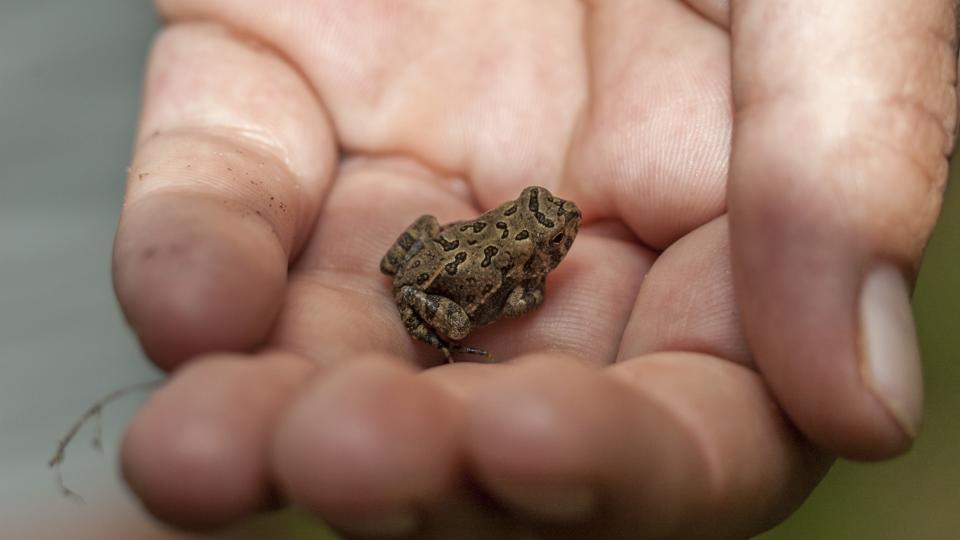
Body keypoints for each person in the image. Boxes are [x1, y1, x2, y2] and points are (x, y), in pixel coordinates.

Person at [112, 1, 957, 537]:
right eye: (550, 237)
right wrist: (481, 314)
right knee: (217, 293)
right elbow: (512, 296)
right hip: (438, 281)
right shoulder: (527, 272)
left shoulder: (524, 232)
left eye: (553, 235)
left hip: (431, 246)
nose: (557, 246)